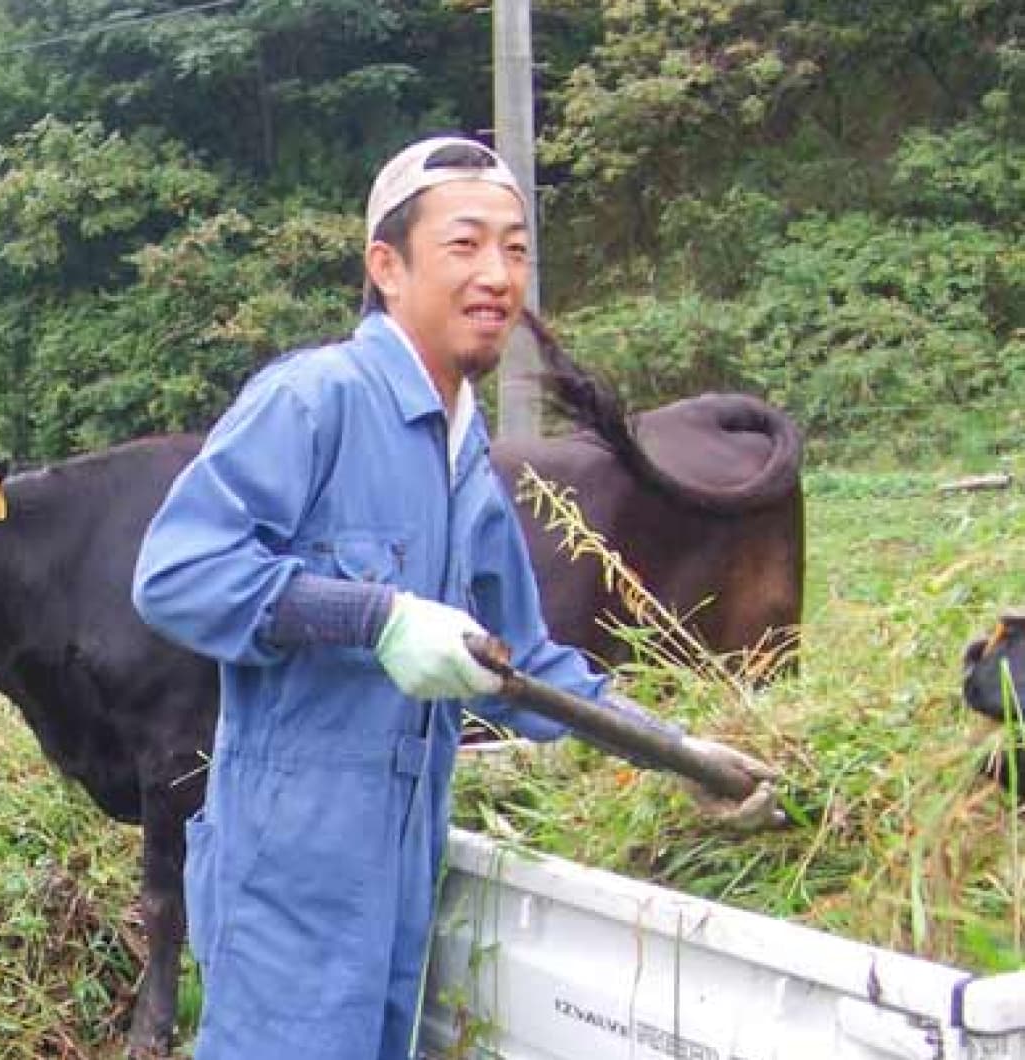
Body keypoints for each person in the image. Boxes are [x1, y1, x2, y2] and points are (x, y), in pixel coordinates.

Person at [130, 136, 779, 1060]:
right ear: (387, 267)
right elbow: (176, 576)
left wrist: (676, 750)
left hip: (400, 875)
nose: (498, 275)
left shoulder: (464, 454)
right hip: (289, 882)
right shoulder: (314, 402)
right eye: (466, 245)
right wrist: (375, 617)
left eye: (516, 250)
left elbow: (523, 662)